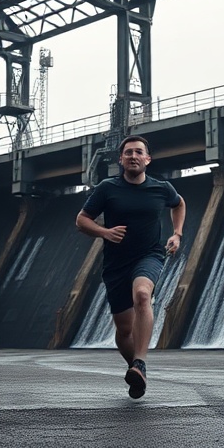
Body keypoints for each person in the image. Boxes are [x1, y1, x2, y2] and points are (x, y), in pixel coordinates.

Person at [76, 135, 186, 399]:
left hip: (149, 256)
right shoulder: (107, 188)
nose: (133, 156)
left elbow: (179, 203)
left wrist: (177, 234)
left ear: (147, 159)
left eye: (139, 152)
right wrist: (104, 232)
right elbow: (81, 220)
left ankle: (140, 361)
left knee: (142, 295)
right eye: (128, 153)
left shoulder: (161, 188)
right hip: (115, 264)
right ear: (121, 160)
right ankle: (136, 371)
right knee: (124, 330)